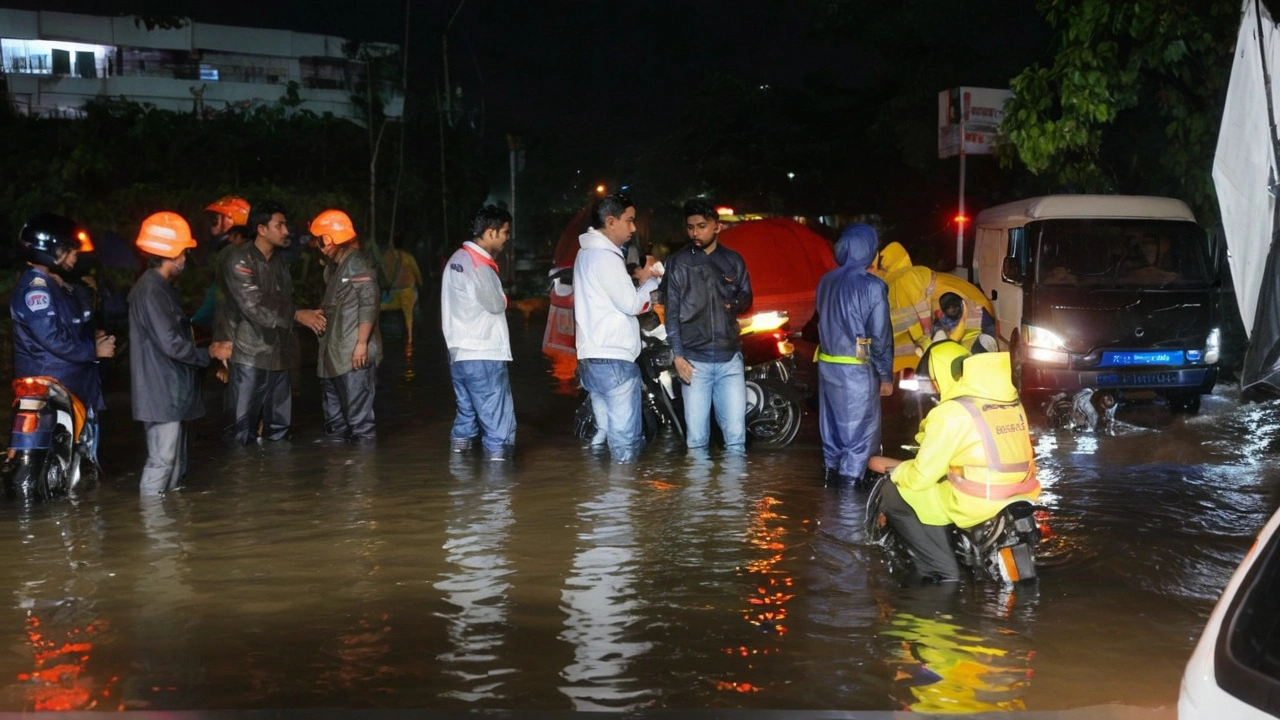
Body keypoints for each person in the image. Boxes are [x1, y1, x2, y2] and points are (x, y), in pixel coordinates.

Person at [868, 343, 1040, 582]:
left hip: (977, 501)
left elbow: (921, 477)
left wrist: (897, 471)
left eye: (935, 380)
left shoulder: (952, 411)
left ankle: (941, 570)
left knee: (894, 491)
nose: (935, 387)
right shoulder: (1009, 400)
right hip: (1023, 495)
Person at [128, 212, 233, 495]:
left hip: (167, 391)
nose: (185, 258)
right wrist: (209, 352)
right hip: (161, 392)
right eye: (184, 251)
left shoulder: (158, 289)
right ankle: (153, 526)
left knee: (171, 462)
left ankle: (164, 529)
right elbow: (172, 344)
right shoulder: (151, 292)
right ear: (170, 253)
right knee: (161, 461)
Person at [11, 213, 116, 464]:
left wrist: (94, 337)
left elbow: (71, 327)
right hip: (57, 383)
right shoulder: (37, 289)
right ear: (49, 251)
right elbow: (53, 337)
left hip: (74, 384)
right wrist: (94, 351)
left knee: (80, 456)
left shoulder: (61, 286)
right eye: (68, 251)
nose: (74, 257)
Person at [218, 200, 326, 445]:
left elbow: (284, 300)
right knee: (239, 430)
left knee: (279, 430)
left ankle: (273, 482)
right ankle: (238, 480)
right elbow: (252, 305)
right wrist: (298, 315)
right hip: (249, 357)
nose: (286, 231)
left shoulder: (279, 263)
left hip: (279, 356)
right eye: (280, 225)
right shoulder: (239, 259)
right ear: (261, 229)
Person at [573, 193, 661, 464]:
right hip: (614, 360)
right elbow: (632, 304)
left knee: (605, 435)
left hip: (590, 358)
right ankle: (623, 498)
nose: (633, 228)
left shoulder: (585, 254)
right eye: (629, 221)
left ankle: (602, 497)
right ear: (611, 221)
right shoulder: (605, 258)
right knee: (625, 443)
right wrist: (652, 281)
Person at [663, 198, 753, 455]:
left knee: (736, 439)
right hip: (694, 363)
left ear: (717, 227)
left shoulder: (733, 260)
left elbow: (747, 298)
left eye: (701, 226)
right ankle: (699, 495)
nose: (695, 233)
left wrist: (734, 302)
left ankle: (732, 495)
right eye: (690, 227)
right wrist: (678, 355)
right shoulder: (678, 263)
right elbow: (672, 313)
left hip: (729, 360)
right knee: (697, 441)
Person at [814, 223, 893, 484]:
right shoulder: (873, 286)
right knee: (859, 438)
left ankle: (829, 486)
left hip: (827, 366)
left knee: (833, 430)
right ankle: (848, 508)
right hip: (857, 370)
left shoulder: (826, 281)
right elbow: (879, 336)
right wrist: (885, 375)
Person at [441, 205, 516, 460]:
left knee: (466, 414)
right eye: (505, 232)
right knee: (498, 428)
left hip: (459, 354)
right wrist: (505, 298)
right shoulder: (479, 265)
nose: (507, 237)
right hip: (483, 353)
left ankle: (460, 473)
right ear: (491, 232)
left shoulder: (456, 260)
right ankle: (498, 488)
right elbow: (496, 304)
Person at [312, 209, 382, 444]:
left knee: (359, 423)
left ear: (328, 239)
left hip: (353, 356)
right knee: (336, 424)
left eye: (319, 239)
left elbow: (369, 302)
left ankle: (361, 474)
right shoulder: (336, 266)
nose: (316, 245)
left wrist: (361, 343)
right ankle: (342, 473)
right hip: (335, 355)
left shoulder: (357, 263)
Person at [379, 239, 424, 347]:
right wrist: (421, 284)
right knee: (409, 315)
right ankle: (409, 338)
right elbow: (416, 272)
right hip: (407, 290)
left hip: (392, 291)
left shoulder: (385, 257)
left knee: (381, 309)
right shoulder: (408, 257)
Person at [932, 292, 998, 353]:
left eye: (955, 306)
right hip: (954, 351)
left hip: (978, 348)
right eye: (948, 308)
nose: (952, 310)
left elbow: (990, 330)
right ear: (943, 310)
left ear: (961, 303)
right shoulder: (941, 319)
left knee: (987, 340)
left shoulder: (978, 310)